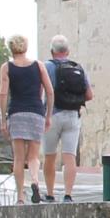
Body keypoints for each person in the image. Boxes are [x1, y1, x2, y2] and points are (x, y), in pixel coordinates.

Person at [0, 34, 51, 201]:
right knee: (34, 156)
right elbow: (50, 91)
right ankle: (35, 180)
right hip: (36, 112)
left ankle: (20, 196)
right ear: (26, 47)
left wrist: (3, 118)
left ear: (11, 49)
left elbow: (3, 93)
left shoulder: (6, 68)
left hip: (17, 113)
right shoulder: (38, 66)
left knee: (19, 158)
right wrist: (48, 115)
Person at [41, 35, 89, 201]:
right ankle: (68, 194)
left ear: (51, 51)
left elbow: (41, 91)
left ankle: (50, 193)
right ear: (67, 51)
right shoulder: (78, 68)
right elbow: (89, 94)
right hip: (73, 116)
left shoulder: (46, 66)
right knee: (70, 157)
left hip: (52, 115)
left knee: (50, 156)